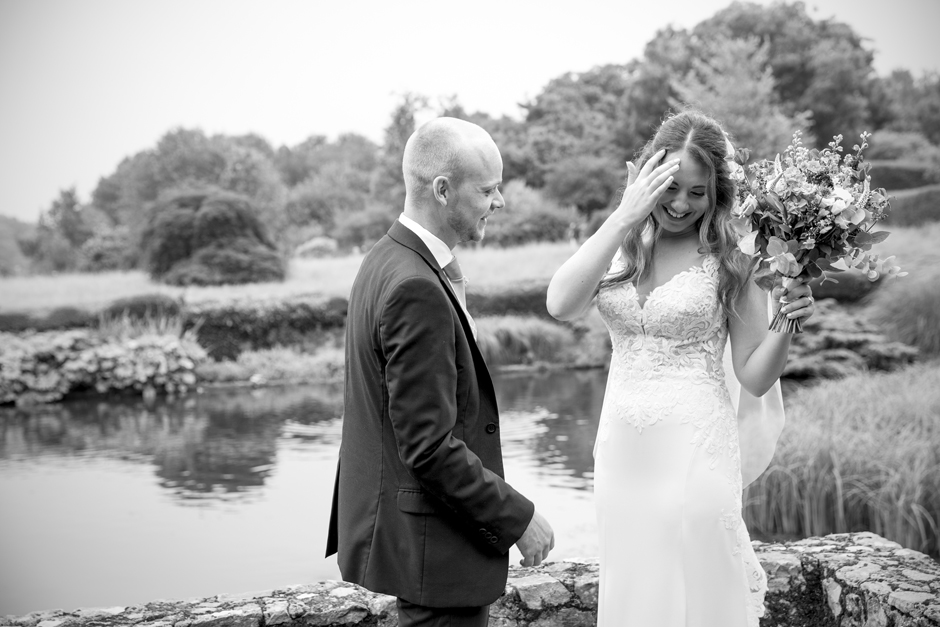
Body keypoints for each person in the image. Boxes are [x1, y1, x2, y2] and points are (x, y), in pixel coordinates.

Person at [546, 110, 815, 626]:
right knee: (637, 588)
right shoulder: (621, 245)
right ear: (648, 176)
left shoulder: (734, 261)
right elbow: (561, 302)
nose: (679, 204)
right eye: (670, 186)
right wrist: (624, 214)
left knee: (698, 587)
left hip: (698, 449)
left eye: (698, 192)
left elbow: (755, 378)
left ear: (717, 193)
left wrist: (786, 322)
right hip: (623, 453)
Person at [326, 117, 554, 627]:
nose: (500, 202)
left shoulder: (383, 259)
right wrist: (517, 518)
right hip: (437, 556)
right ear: (443, 189)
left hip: (417, 545)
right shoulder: (416, 287)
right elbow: (428, 446)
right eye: (489, 189)